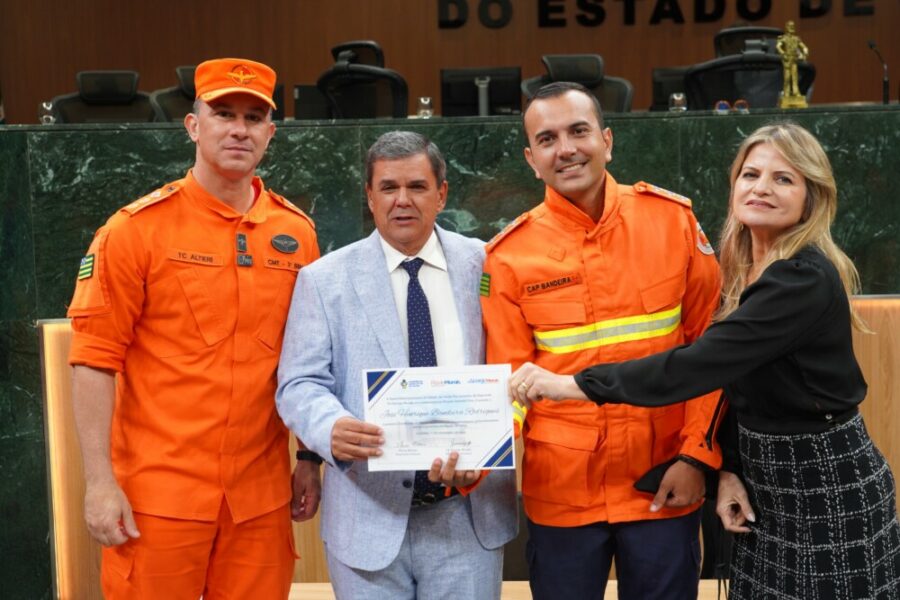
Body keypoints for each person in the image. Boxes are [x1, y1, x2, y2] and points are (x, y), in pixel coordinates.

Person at [509, 122, 900, 599]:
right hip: (767, 488)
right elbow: (739, 388)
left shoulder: (800, 279)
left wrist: (572, 385)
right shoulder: (744, 268)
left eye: (784, 179)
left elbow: (696, 366)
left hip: (824, 488)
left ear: (811, 198)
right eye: (750, 174)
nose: (761, 188)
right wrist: (728, 469)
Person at [67, 57, 321, 599]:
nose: (239, 129)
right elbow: (93, 359)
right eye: (223, 112)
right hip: (159, 499)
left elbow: (309, 362)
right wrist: (98, 482)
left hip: (259, 499)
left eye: (254, 118)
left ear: (270, 133)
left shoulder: (296, 234)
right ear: (193, 125)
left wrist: (308, 458)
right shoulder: (134, 231)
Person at [481, 81, 724, 599]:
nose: (565, 148)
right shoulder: (507, 256)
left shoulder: (672, 221)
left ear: (607, 141)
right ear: (532, 159)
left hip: (662, 480)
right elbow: (508, 387)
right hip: (563, 492)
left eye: (578, 131)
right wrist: (473, 460)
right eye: (547, 139)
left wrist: (697, 458)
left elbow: (715, 355)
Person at [276, 131, 517, 599]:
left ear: (442, 193)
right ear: (369, 196)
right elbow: (299, 382)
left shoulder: (487, 264)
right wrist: (330, 428)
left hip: (467, 515)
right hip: (368, 516)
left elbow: (513, 365)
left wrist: (486, 452)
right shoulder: (323, 279)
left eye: (417, 186)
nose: (402, 200)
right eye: (388, 187)